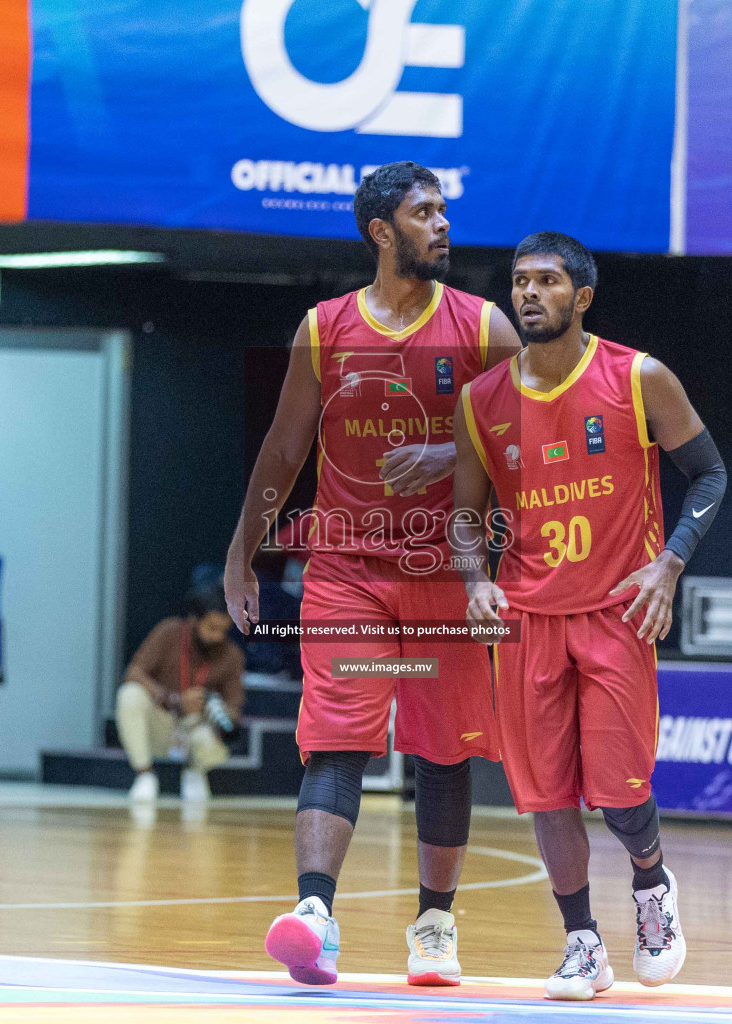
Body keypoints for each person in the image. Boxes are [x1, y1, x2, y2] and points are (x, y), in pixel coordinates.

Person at [223, 162, 523, 986]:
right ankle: (315, 915)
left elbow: (533, 438)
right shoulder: (324, 328)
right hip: (347, 570)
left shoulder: (484, 326)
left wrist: (447, 450)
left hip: (443, 575)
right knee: (338, 737)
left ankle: (435, 924)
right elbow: (285, 449)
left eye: (444, 210)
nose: (443, 224)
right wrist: (240, 553)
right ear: (380, 231)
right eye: (424, 212)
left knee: (442, 751)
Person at [451, 232, 726, 999]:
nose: (530, 293)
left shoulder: (638, 378)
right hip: (528, 620)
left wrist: (670, 562)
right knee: (545, 795)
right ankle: (582, 943)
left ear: (583, 296)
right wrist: (475, 581)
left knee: (620, 792)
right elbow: (464, 517)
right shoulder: (482, 400)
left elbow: (708, 473)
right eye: (520, 280)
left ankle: (652, 885)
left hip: (616, 612)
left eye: (546, 280)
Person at [116, 582, 245, 803]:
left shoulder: (231, 654)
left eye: (224, 630)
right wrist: (172, 699)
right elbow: (134, 672)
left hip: (196, 728)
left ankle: (196, 772)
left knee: (209, 740)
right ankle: (145, 774)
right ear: (195, 619)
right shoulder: (170, 632)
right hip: (164, 721)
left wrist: (211, 707)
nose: (217, 637)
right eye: (212, 628)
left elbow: (235, 709)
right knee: (130, 694)